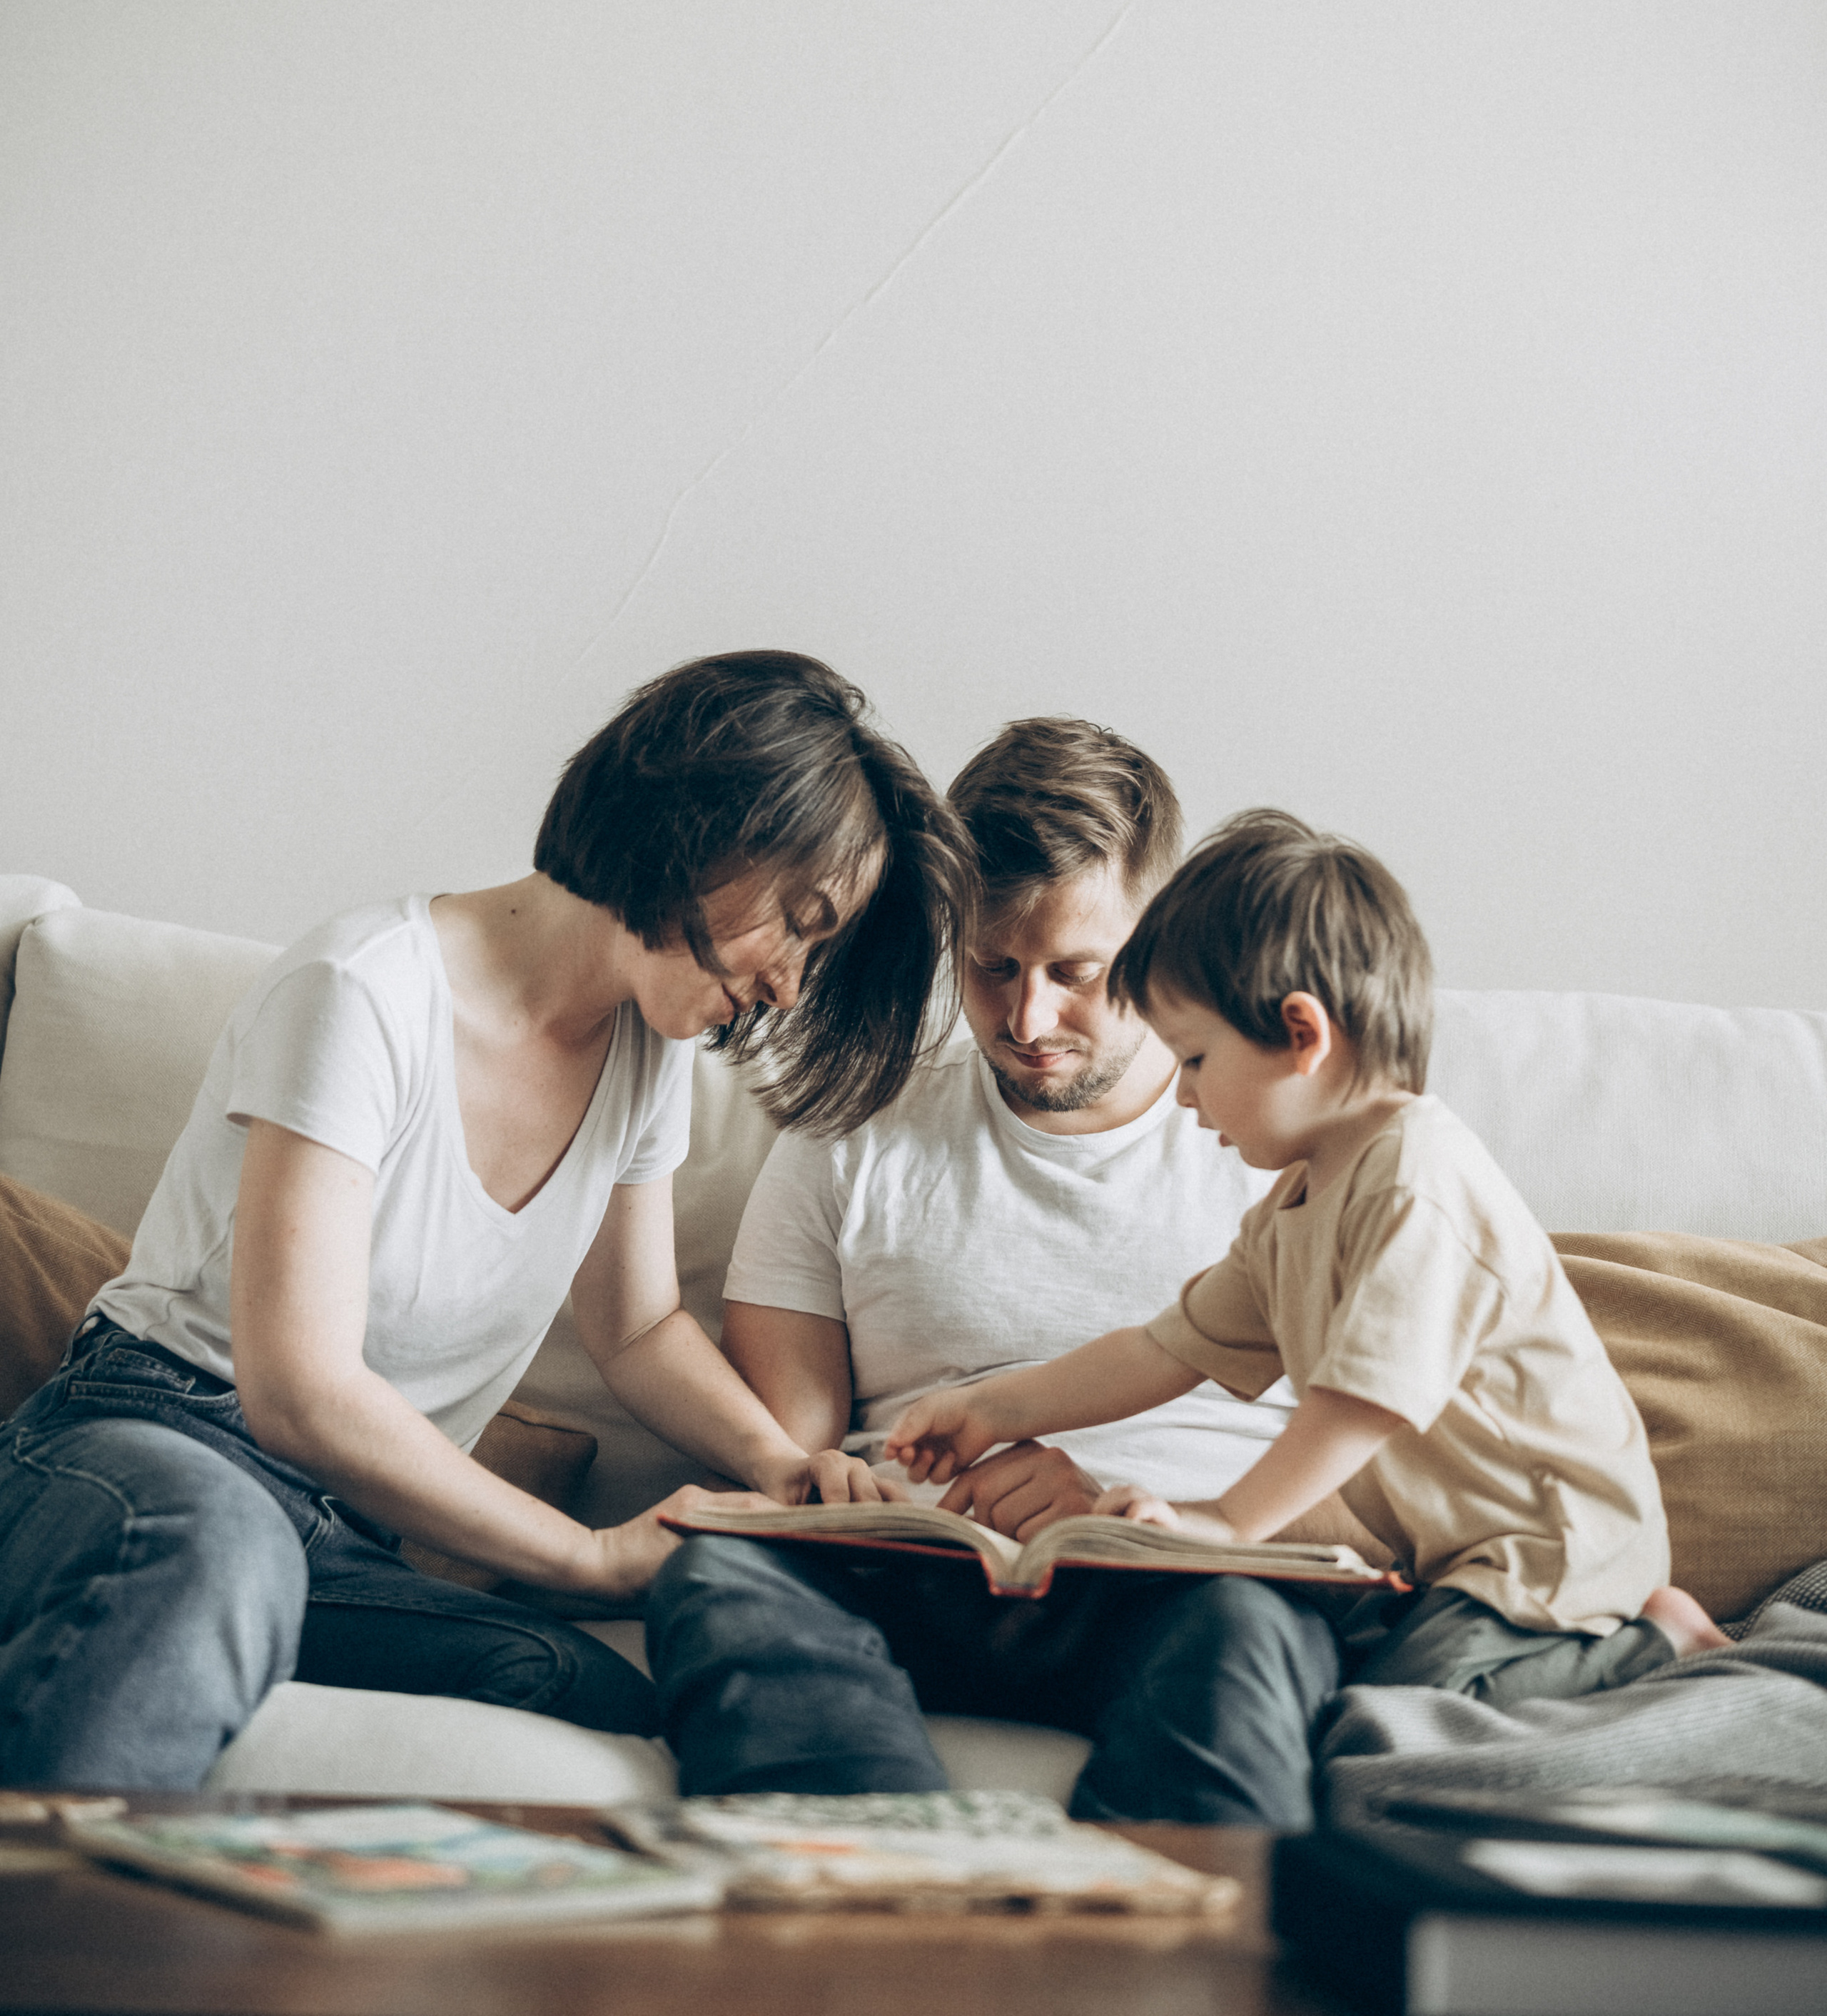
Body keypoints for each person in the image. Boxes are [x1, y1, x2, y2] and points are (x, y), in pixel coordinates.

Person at [0, 649, 973, 1788]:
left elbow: (637, 1328)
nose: (791, 985)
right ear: (703, 828)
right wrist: (589, 1556)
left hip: (342, 1532)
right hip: (158, 1449)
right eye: (799, 926)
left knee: (577, 1689)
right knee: (215, 1540)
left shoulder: (645, 1053)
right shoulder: (364, 990)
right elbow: (298, 1391)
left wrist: (787, 1466)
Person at [889, 809, 1731, 1820]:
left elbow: (1361, 1404)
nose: (1183, 1098)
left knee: (1383, 1727)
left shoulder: (1417, 1181)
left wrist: (1224, 1523)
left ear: (1302, 1036)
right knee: (1345, 1691)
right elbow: (1164, 1349)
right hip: (1457, 1564)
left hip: (1551, 1554)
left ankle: (1659, 1644)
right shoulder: (1295, 1204)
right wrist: (995, 1408)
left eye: (1195, 1060)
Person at [647, 719, 1327, 1822]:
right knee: (721, 1571)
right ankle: (884, 1889)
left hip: (1177, 1583)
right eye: (991, 967)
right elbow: (793, 1445)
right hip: (907, 1576)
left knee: (1249, 1628)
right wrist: (827, 1486)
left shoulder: (1284, 1143)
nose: (1027, 1018)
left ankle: (1151, 1920)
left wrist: (1141, 1514)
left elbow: (1383, 1462)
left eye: (1076, 973)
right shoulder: (854, 1126)